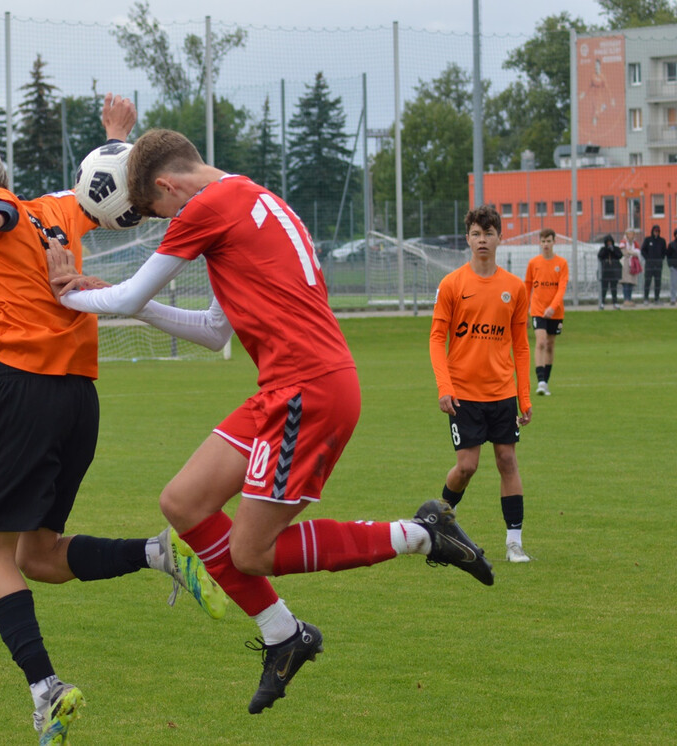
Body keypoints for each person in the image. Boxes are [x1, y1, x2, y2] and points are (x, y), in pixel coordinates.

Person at [51, 127, 494, 716]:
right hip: (285, 388)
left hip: (307, 391)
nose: (165, 222)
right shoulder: (253, 200)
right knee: (183, 502)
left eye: (159, 211)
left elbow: (130, 299)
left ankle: (423, 534)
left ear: (167, 185)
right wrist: (116, 294)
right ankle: (284, 634)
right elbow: (214, 333)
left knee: (251, 552)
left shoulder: (205, 207)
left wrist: (68, 295)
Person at [0, 98, 227, 746]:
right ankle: (161, 553)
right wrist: (118, 136)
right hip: (78, 400)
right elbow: (103, 191)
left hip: (26, 395)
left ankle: (47, 691)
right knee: (36, 556)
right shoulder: (58, 208)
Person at [430, 206, 534, 564]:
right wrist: (445, 387)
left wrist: (524, 397)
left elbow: (521, 345)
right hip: (464, 395)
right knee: (467, 467)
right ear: (468, 239)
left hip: (502, 393)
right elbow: (436, 339)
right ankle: (436, 521)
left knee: (507, 460)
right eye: (476, 234)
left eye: (489, 234)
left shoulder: (514, 287)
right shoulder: (453, 284)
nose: (482, 240)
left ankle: (514, 542)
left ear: (500, 238)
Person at [524, 228, 568, 395]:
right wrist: (525, 312)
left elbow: (561, 288)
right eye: (543, 241)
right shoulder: (533, 263)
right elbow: (527, 287)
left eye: (548, 241)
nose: (546, 245)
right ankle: (541, 381)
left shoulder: (561, 264)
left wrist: (553, 307)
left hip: (555, 312)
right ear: (539, 243)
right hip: (537, 310)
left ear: (554, 242)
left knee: (550, 345)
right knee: (541, 342)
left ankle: (546, 382)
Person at [640, 225, 667, 305]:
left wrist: (660, 259)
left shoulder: (662, 241)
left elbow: (664, 251)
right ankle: (646, 298)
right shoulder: (648, 240)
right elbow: (643, 250)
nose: (656, 232)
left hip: (658, 265)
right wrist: (648, 258)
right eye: (655, 231)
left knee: (658, 282)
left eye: (658, 231)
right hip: (649, 265)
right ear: (652, 231)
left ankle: (657, 299)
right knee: (647, 281)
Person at [597, 234, 622, 310]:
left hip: (614, 272)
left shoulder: (616, 249)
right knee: (604, 288)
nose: (609, 244)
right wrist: (606, 250)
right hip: (605, 272)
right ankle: (602, 302)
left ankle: (615, 302)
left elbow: (620, 255)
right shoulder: (603, 249)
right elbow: (600, 256)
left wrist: (613, 250)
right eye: (607, 242)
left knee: (614, 288)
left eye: (610, 242)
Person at [618, 229, 641, 306]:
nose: (631, 236)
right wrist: (632, 252)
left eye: (632, 234)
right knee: (626, 282)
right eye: (629, 234)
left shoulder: (635, 243)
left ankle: (629, 299)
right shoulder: (623, 242)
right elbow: (624, 252)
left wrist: (630, 252)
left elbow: (637, 252)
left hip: (633, 265)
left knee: (631, 283)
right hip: (625, 264)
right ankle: (626, 299)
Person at [667, 229, 677, 306]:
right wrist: (670, 265)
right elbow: (668, 255)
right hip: (674, 267)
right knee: (673, 283)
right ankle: (673, 299)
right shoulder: (672, 244)